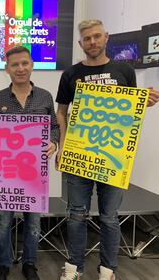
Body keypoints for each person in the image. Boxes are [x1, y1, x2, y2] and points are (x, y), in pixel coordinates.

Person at [56, 19, 159, 280]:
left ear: (106, 37)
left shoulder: (124, 70)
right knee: (76, 215)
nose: (92, 42)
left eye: (96, 36)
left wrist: (145, 102)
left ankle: (108, 270)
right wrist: (64, 146)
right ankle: (75, 268)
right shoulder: (70, 74)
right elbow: (61, 112)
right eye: (87, 38)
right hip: (80, 155)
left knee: (110, 217)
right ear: (81, 43)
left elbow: (131, 109)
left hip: (113, 157)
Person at [0, 46, 59, 280]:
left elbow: (55, 127)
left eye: (25, 63)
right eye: (15, 64)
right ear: (6, 68)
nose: (20, 68)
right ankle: (3, 264)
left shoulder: (45, 96)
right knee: (2, 222)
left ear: (32, 65)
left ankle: (30, 264)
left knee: (33, 223)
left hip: (34, 172)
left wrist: (54, 143)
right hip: (5, 172)